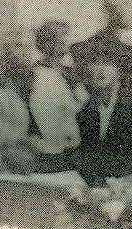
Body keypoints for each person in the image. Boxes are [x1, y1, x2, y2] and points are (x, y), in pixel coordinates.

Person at [74, 31, 132, 182]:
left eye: (108, 63)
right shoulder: (86, 108)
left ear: (119, 68)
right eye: (95, 62)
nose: (101, 69)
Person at [29, 20, 89, 173]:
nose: (65, 43)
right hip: (48, 153)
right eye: (60, 39)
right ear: (47, 43)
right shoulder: (34, 75)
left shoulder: (71, 74)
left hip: (75, 150)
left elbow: (84, 104)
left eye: (65, 39)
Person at [0, 26, 37, 174]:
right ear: (4, 52)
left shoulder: (41, 81)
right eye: (14, 46)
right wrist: (25, 141)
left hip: (42, 160)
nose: (21, 52)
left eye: (26, 46)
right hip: (3, 162)